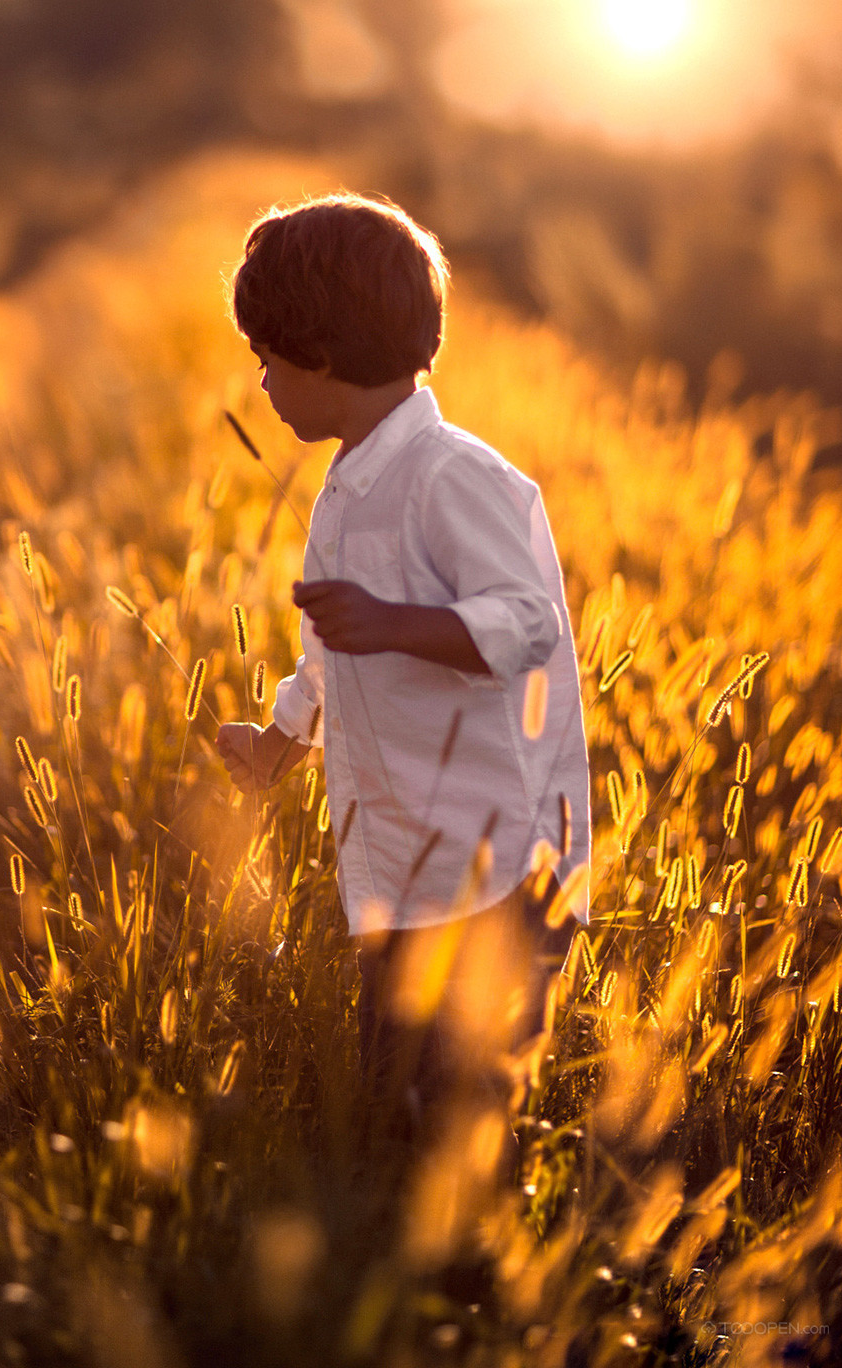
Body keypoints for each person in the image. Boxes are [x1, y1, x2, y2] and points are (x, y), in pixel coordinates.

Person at [215, 193, 590, 1160]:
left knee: (465, 1111)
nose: (259, 383)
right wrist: (282, 736)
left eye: (267, 359)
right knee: (397, 1106)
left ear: (323, 357)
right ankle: (411, 1266)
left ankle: (472, 1285)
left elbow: (524, 623)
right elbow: (330, 648)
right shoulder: (350, 486)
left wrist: (392, 624)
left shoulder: (453, 477)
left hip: (495, 869)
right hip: (403, 866)